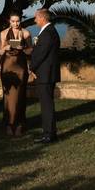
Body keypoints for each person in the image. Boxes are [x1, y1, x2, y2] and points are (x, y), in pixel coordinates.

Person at [29, 8, 61, 143]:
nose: (35, 20)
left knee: (46, 105)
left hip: (45, 75)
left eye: (36, 17)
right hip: (46, 74)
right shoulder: (49, 31)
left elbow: (41, 54)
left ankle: (49, 134)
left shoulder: (47, 33)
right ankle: (49, 133)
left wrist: (31, 68)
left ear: (42, 18)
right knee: (46, 104)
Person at [0, 11, 31, 137]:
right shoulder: (3, 33)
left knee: (20, 95)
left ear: (20, 20)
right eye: (13, 21)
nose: (15, 23)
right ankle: (8, 124)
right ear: (9, 21)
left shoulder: (26, 33)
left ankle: (19, 125)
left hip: (20, 67)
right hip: (7, 67)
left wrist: (24, 48)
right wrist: (5, 48)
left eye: (18, 21)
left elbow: (30, 51)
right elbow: (0, 52)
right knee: (8, 96)